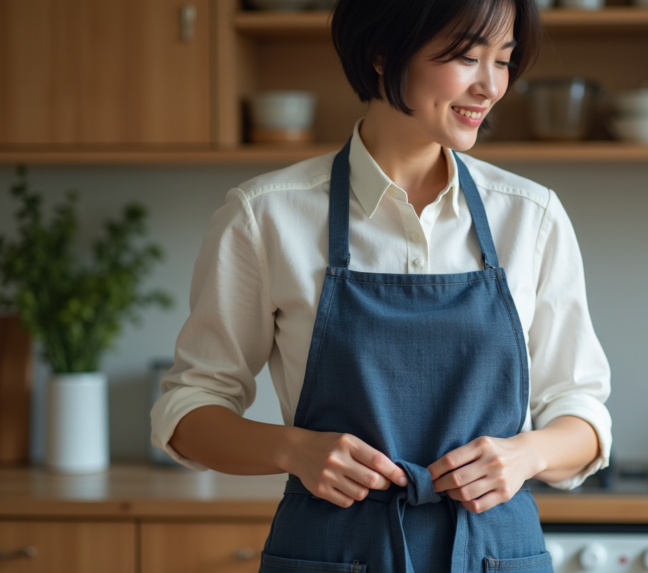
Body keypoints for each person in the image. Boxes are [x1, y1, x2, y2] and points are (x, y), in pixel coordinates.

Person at [150, 0, 612, 570]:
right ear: (381, 53)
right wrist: (293, 449)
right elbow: (188, 411)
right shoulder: (266, 216)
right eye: (467, 58)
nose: (491, 87)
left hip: (493, 552)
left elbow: (582, 412)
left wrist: (528, 454)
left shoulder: (530, 216)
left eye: (503, 60)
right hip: (333, 552)